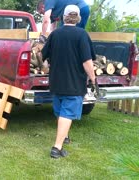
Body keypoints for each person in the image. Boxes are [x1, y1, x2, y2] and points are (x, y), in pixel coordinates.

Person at [41, 5, 96, 158]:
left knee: (60, 111)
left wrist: (47, 66)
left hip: (56, 81)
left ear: (63, 17)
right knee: (67, 112)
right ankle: (56, 148)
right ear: (78, 17)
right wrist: (93, 78)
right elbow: (87, 62)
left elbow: (43, 56)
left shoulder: (55, 34)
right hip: (73, 83)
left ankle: (64, 136)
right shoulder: (82, 35)